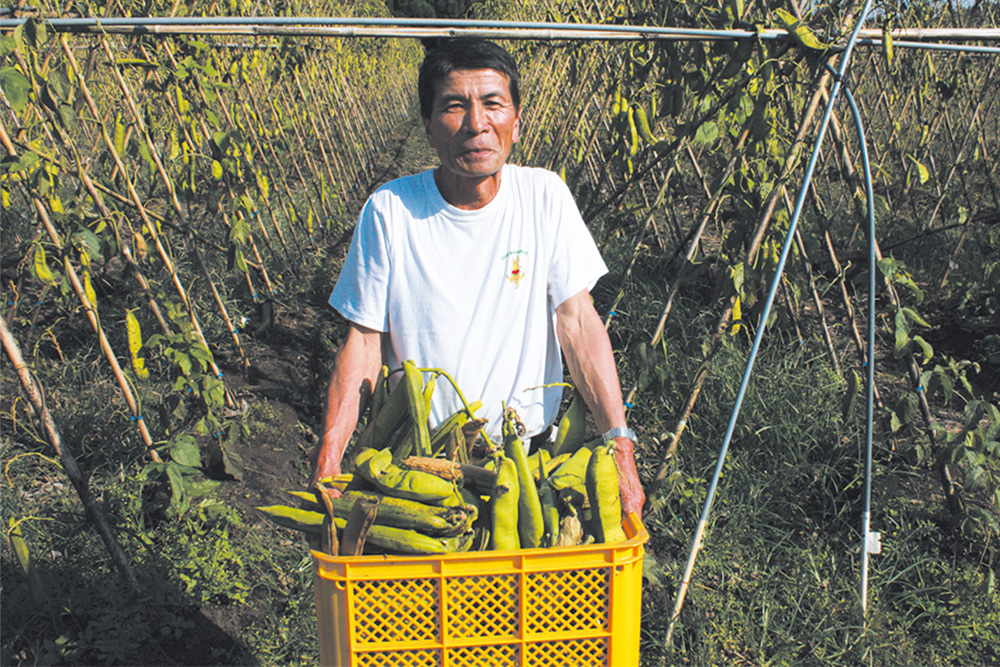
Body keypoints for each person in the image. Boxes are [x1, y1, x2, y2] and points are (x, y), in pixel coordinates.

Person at [311, 38, 645, 516]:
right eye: (454, 106)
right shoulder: (391, 210)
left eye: (493, 104)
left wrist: (620, 443)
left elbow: (578, 324)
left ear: (516, 116)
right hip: (418, 471)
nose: (476, 124)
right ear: (426, 125)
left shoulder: (543, 197)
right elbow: (364, 342)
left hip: (528, 464)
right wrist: (330, 455)